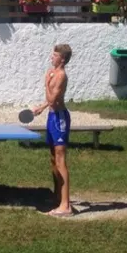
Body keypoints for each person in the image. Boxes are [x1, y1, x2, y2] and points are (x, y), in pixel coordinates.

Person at [31, 44, 73, 217]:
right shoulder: (54, 73)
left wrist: (46, 83)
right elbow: (49, 102)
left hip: (59, 119)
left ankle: (66, 205)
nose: (51, 57)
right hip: (52, 117)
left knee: (60, 159)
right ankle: (57, 196)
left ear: (62, 59)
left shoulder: (61, 75)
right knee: (52, 158)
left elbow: (53, 98)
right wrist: (41, 107)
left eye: (54, 55)